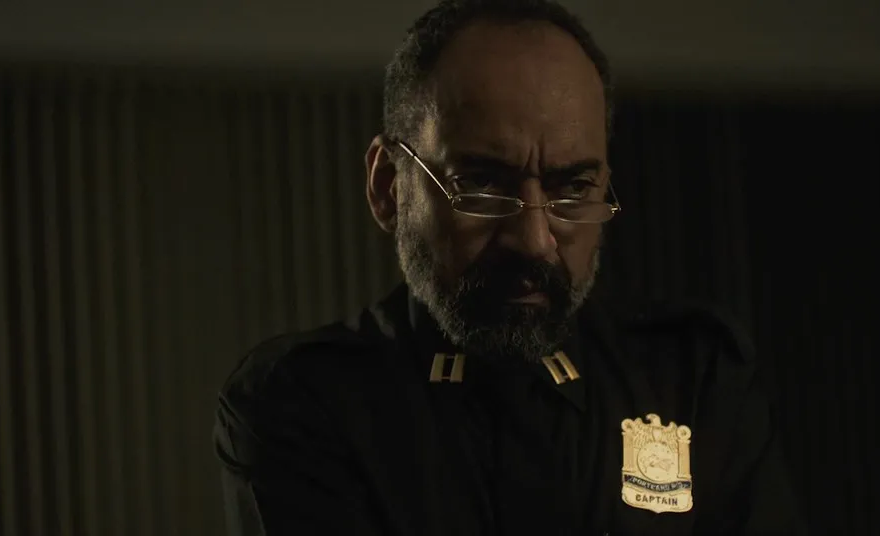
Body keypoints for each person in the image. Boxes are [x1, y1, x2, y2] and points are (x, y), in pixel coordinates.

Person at [213, 0, 806, 534]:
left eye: (572, 187)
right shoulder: (305, 403)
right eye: (482, 184)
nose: (535, 241)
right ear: (389, 186)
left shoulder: (695, 378)